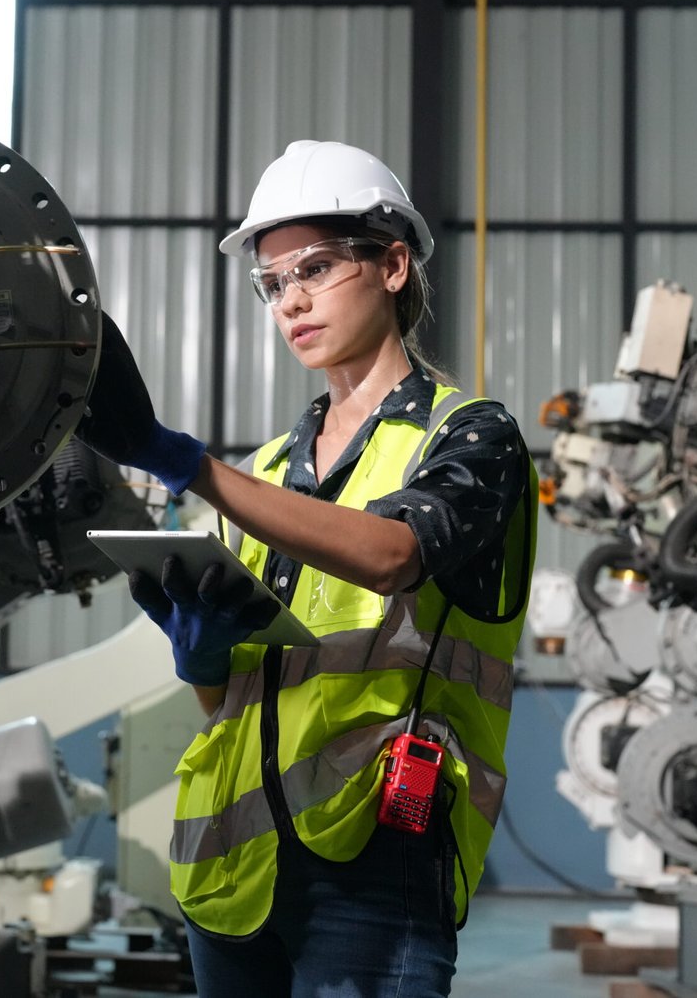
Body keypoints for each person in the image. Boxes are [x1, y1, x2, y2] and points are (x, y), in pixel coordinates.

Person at [77, 139, 537, 998]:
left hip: (376, 854)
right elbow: (231, 701)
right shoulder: (270, 465)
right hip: (233, 868)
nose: (291, 301)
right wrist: (205, 660)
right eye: (273, 283)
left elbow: (392, 553)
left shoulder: (471, 436)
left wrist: (189, 465)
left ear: (393, 264)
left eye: (316, 268)